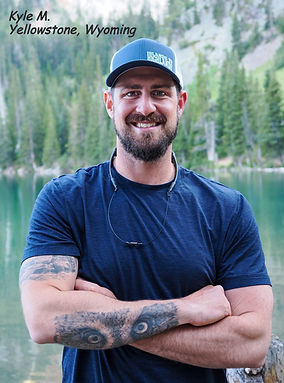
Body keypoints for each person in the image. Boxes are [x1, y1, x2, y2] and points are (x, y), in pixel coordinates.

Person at [19, 38, 273, 383]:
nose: (145, 106)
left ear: (180, 103)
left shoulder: (226, 209)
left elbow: (252, 342)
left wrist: (105, 317)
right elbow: (43, 319)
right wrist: (186, 310)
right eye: (130, 93)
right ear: (110, 103)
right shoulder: (64, 199)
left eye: (160, 92)